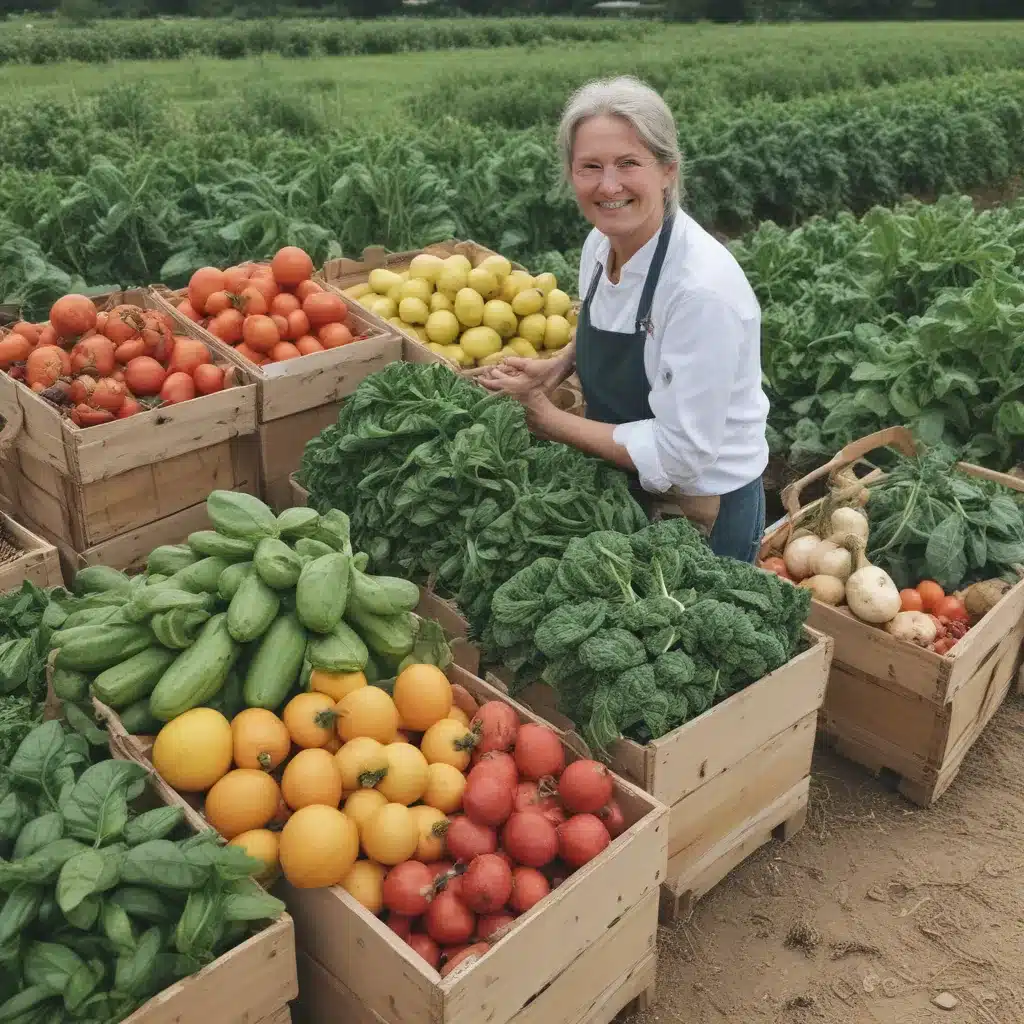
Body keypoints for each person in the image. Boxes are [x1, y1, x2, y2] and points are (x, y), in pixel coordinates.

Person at [479, 75, 770, 563]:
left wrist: (548, 420)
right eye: (590, 166)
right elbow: (621, 320)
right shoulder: (601, 244)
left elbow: (681, 454)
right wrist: (560, 366)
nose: (608, 186)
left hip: (700, 508)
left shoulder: (699, 289)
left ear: (667, 171)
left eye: (628, 164)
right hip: (622, 483)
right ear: (570, 174)